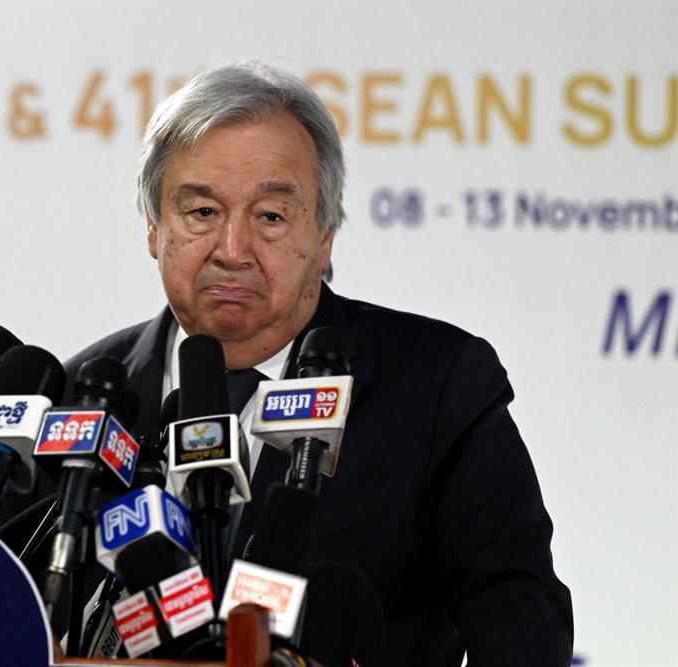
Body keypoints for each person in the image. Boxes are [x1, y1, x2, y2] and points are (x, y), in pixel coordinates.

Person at [64, 61, 573, 666]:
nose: (232, 250)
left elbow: (517, 613)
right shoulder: (88, 394)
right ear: (154, 227)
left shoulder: (437, 382)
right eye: (202, 213)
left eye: (271, 217)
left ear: (326, 234)